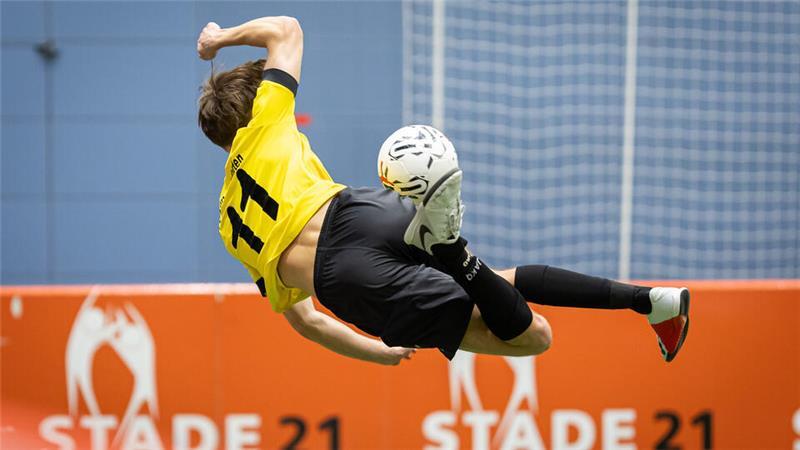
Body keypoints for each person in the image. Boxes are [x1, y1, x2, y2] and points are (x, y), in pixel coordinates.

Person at [195, 16, 690, 366]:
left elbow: (306, 321)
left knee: (533, 338)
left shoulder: (226, 226)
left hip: (346, 278)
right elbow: (286, 29)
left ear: (221, 139)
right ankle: (651, 301)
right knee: (495, 280)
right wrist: (220, 38)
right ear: (254, 105)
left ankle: (453, 253)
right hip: (361, 209)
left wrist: (377, 351)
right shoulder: (268, 120)